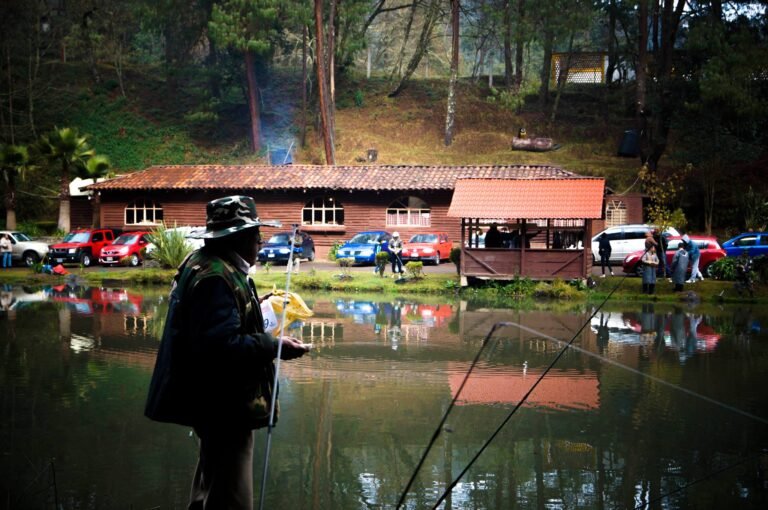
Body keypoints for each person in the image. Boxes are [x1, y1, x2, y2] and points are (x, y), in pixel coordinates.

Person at [144, 195, 310, 510]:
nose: (260, 243)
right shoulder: (216, 277)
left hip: (214, 404)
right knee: (230, 497)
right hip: (225, 407)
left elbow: (215, 329)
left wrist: (256, 314)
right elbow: (220, 348)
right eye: (256, 236)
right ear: (238, 237)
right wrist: (274, 346)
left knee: (210, 484)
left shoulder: (210, 263)